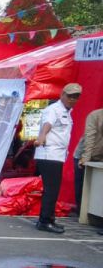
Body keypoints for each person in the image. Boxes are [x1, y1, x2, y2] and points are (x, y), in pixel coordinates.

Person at [33, 83, 79, 234]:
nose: (73, 99)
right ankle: (44, 221)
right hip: (49, 154)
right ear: (62, 95)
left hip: (56, 155)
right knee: (51, 190)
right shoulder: (53, 109)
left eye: (76, 97)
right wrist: (42, 136)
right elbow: (48, 124)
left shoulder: (67, 112)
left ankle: (49, 219)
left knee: (53, 189)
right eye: (70, 96)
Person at [75, 101, 103, 209]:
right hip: (83, 154)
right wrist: (85, 158)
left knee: (97, 187)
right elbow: (89, 137)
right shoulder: (95, 115)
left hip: (100, 156)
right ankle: (81, 212)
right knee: (82, 187)